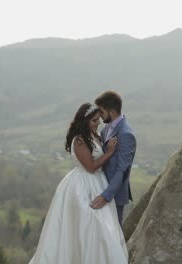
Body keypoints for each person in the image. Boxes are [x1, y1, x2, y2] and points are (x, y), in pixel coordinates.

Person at [29, 103, 128, 264]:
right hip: (82, 186)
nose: (98, 123)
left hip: (98, 183)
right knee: (86, 225)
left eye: (98, 120)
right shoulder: (79, 141)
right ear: (85, 121)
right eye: (94, 121)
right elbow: (91, 166)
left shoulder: (95, 135)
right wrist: (109, 152)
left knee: (102, 228)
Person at [90, 91, 137, 226]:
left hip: (114, 196)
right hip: (100, 189)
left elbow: (122, 170)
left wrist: (106, 196)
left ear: (111, 111)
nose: (99, 115)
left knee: (114, 238)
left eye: (101, 111)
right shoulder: (105, 130)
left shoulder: (126, 135)